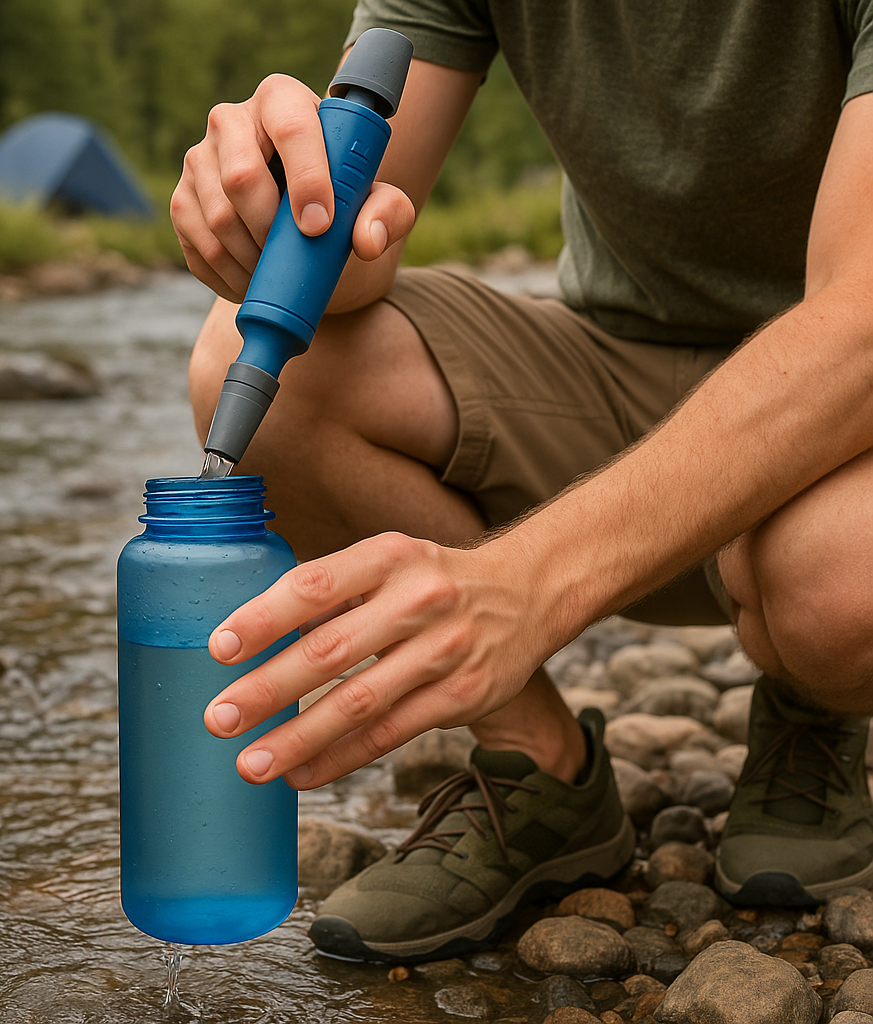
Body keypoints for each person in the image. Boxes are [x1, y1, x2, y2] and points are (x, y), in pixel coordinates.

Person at [170, 0, 873, 964]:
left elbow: (864, 323)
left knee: (843, 586)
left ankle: (814, 710)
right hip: (611, 366)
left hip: (843, 405)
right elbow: (357, 253)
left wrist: (530, 582)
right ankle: (539, 769)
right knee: (246, 364)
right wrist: (271, 227)